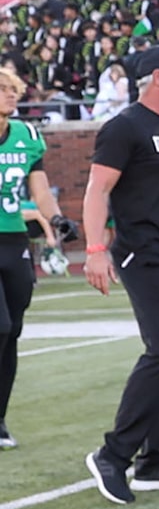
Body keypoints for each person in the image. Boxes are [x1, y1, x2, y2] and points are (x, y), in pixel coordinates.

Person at [80, 43, 159, 503]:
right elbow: (96, 190)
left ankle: (154, 459)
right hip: (142, 255)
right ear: (156, 77)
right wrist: (93, 249)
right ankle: (113, 455)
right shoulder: (124, 127)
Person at [0, 63, 63, 447]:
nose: (13, 94)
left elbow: (39, 191)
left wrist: (57, 218)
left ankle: (0, 419)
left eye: (13, 89)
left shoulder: (27, 136)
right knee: (1, 327)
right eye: (5, 89)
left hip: (14, 242)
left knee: (12, 335)